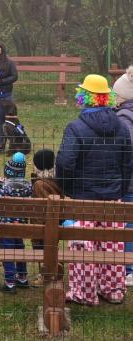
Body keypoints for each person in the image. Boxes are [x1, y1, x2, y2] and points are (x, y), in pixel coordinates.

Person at [56, 74, 133, 305]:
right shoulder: (121, 127)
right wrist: (119, 189)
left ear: (85, 97)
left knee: (83, 246)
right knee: (111, 245)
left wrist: (69, 188)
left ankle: (84, 292)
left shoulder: (76, 127)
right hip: (113, 198)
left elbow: (65, 163)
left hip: (83, 198)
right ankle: (112, 290)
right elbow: (128, 163)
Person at [0, 152, 33, 293]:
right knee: (19, 249)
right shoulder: (28, 188)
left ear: (8, 172)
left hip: (6, 227)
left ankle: (10, 282)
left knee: (8, 252)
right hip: (20, 227)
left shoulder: (4, 187)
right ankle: (22, 277)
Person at [112, 67, 133, 287]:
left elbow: (127, 155)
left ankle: (129, 269)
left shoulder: (124, 120)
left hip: (128, 182)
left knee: (128, 224)